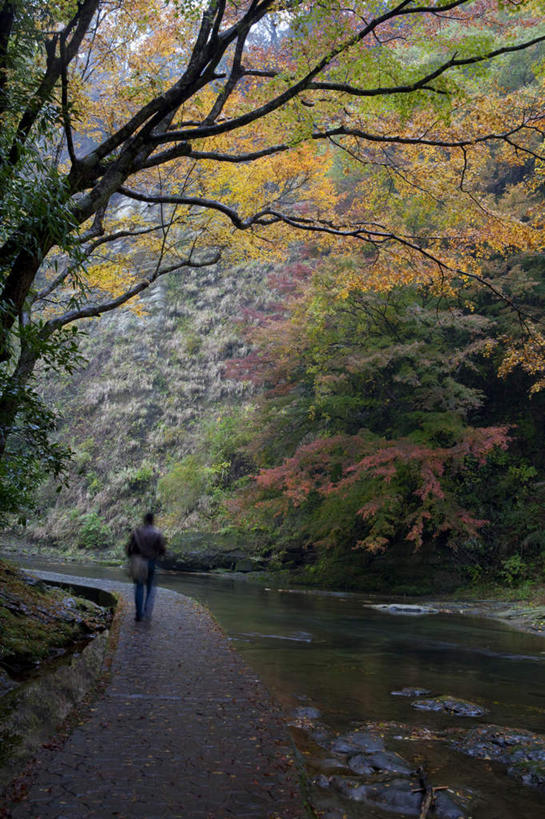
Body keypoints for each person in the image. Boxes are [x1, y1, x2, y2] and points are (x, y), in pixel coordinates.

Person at [126, 512, 166, 622]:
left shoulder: (137, 532)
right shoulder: (157, 533)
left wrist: (131, 557)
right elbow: (162, 549)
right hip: (151, 562)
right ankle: (147, 612)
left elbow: (130, 547)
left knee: (139, 587)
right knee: (150, 587)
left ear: (144, 520)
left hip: (138, 561)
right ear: (153, 520)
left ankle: (139, 614)